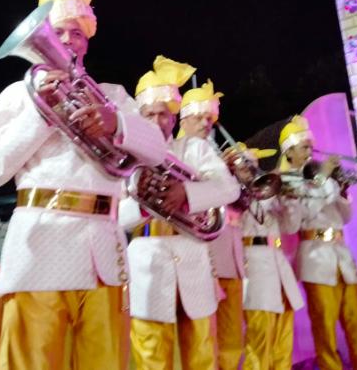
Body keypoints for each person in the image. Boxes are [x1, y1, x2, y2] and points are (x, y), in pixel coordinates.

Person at [0, 0, 169, 370]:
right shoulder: (16, 96)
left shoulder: (114, 96)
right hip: (38, 250)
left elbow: (157, 150)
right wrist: (41, 113)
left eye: (77, 33)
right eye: (58, 32)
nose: (67, 41)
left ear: (87, 42)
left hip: (103, 251)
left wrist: (116, 124)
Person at [119, 58, 240, 370]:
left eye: (164, 114)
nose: (157, 121)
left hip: (192, 258)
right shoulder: (126, 157)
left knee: (202, 355)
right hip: (145, 261)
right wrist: (145, 204)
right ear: (139, 117)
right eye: (149, 114)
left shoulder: (194, 149)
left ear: (174, 118)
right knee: (151, 358)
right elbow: (115, 218)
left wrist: (186, 193)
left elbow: (229, 189)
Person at [278, 116, 357, 370]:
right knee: (324, 327)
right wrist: (323, 180)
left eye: (310, 146)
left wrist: (342, 191)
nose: (310, 151)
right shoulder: (286, 183)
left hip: (342, 257)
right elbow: (300, 219)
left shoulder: (322, 177)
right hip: (315, 260)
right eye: (304, 147)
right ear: (289, 152)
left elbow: (346, 217)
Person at [178, 80, 247, 370]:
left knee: (232, 338)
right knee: (201, 340)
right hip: (197, 256)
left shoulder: (216, 156)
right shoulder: (175, 152)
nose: (206, 123)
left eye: (210, 118)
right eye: (199, 117)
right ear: (183, 119)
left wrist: (240, 177)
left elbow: (238, 204)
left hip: (228, 256)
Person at [229, 136, 304, 370]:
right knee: (259, 340)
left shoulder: (268, 192)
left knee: (283, 342)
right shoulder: (232, 195)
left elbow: (291, 227)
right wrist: (267, 193)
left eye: (254, 166)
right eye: (245, 166)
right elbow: (246, 213)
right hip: (254, 268)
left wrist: (291, 201)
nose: (252, 171)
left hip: (278, 265)